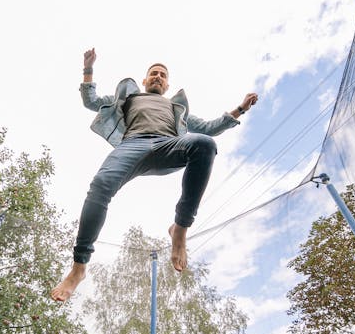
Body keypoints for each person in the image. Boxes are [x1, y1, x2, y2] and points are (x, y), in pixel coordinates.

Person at [51, 48, 258, 302]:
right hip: (132, 145)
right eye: (153, 74)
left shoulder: (176, 107)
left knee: (204, 144)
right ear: (145, 80)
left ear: (167, 84)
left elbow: (210, 128)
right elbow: (90, 100)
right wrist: (88, 68)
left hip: (167, 146)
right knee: (100, 186)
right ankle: (78, 267)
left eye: (162, 75)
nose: (158, 77)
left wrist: (241, 109)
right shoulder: (127, 98)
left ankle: (180, 228)